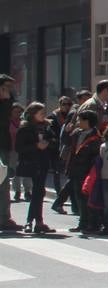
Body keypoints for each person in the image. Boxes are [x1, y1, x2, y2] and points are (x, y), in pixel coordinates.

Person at [14, 102, 56, 234]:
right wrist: (36, 146)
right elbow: (19, 147)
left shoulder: (46, 127)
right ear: (33, 114)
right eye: (41, 113)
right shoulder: (25, 127)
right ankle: (33, 221)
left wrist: (47, 143)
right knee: (37, 192)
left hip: (43, 162)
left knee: (39, 192)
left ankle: (36, 222)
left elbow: (54, 141)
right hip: (31, 162)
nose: (43, 115)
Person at [66, 110, 101, 233]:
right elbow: (67, 144)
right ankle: (82, 222)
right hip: (75, 169)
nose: (78, 122)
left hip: (86, 171)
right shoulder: (76, 133)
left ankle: (92, 223)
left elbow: (95, 155)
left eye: (80, 120)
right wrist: (67, 132)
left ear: (87, 121)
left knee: (88, 198)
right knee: (79, 197)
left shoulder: (95, 136)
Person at [49, 95, 75, 214]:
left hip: (67, 149)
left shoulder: (72, 115)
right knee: (57, 173)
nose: (67, 107)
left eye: (69, 104)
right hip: (55, 149)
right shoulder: (53, 117)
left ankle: (70, 204)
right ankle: (59, 196)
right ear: (60, 105)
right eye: (64, 104)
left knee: (71, 176)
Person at [0, 73, 16, 232]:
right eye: (7, 88)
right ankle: (4, 218)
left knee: (4, 183)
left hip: (3, 146)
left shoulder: (6, 103)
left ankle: (4, 217)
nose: (10, 91)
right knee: (3, 182)